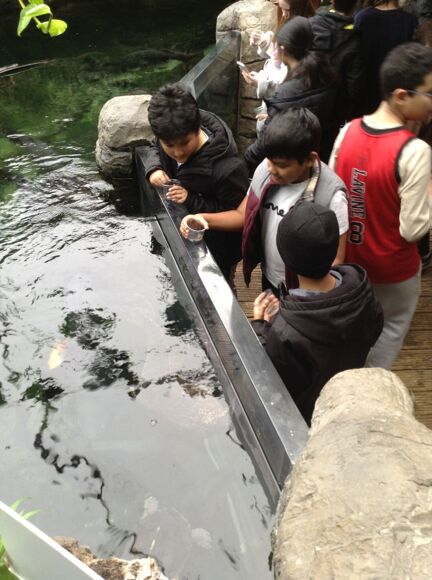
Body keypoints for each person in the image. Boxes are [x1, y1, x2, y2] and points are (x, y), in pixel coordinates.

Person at [330, 42, 432, 369]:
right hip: (394, 271)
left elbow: (334, 196)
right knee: (389, 330)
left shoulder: (347, 132)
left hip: (351, 265)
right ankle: (370, 384)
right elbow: (413, 229)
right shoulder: (415, 151)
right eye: (429, 94)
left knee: (353, 332)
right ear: (402, 95)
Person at [180, 108, 349, 294]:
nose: (271, 169)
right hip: (270, 277)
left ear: (310, 159)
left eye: (281, 165)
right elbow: (242, 215)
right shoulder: (265, 171)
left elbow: (336, 260)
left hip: (306, 291)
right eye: (269, 160)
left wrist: (306, 297)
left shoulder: (331, 196)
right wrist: (202, 218)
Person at [251, 201, 383, 425]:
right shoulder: (361, 290)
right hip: (346, 392)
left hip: (309, 412)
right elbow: (376, 327)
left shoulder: (285, 332)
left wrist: (261, 327)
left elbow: (274, 377)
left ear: (286, 257)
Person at [142, 83, 249, 283]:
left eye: (184, 143)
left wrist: (191, 200)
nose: (178, 152)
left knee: (218, 283)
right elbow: (153, 146)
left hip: (215, 249)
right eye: (169, 145)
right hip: (178, 235)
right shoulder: (170, 131)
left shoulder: (228, 169)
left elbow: (235, 216)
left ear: (197, 127)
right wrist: (153, 167)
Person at [244, 16, 339, 175]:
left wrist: (246, 162)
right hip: (322, 157)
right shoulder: (328, 73)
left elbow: (263, 145)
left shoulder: (285, 94)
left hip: (292, 164)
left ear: (283, 49)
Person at [243, 0, 315, 131]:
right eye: (281, 8)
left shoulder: (305, 30)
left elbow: (291, 88)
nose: (284, 14)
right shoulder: (290, 21)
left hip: (285, 116)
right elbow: (279, 58)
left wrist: (262, 83)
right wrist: (264, 41)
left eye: (287, 10)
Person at [354, 0, 418, 114]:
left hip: (366, 91)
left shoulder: (362, 18)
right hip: (398, 95)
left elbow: (354, 58)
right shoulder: (410, 21)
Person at [309, 0, 364, 121]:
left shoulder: (312, 23)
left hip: (306, 99)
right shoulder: (355, 41)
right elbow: (354, 87)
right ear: (356, 4)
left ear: (332, 1)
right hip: (332, 110)